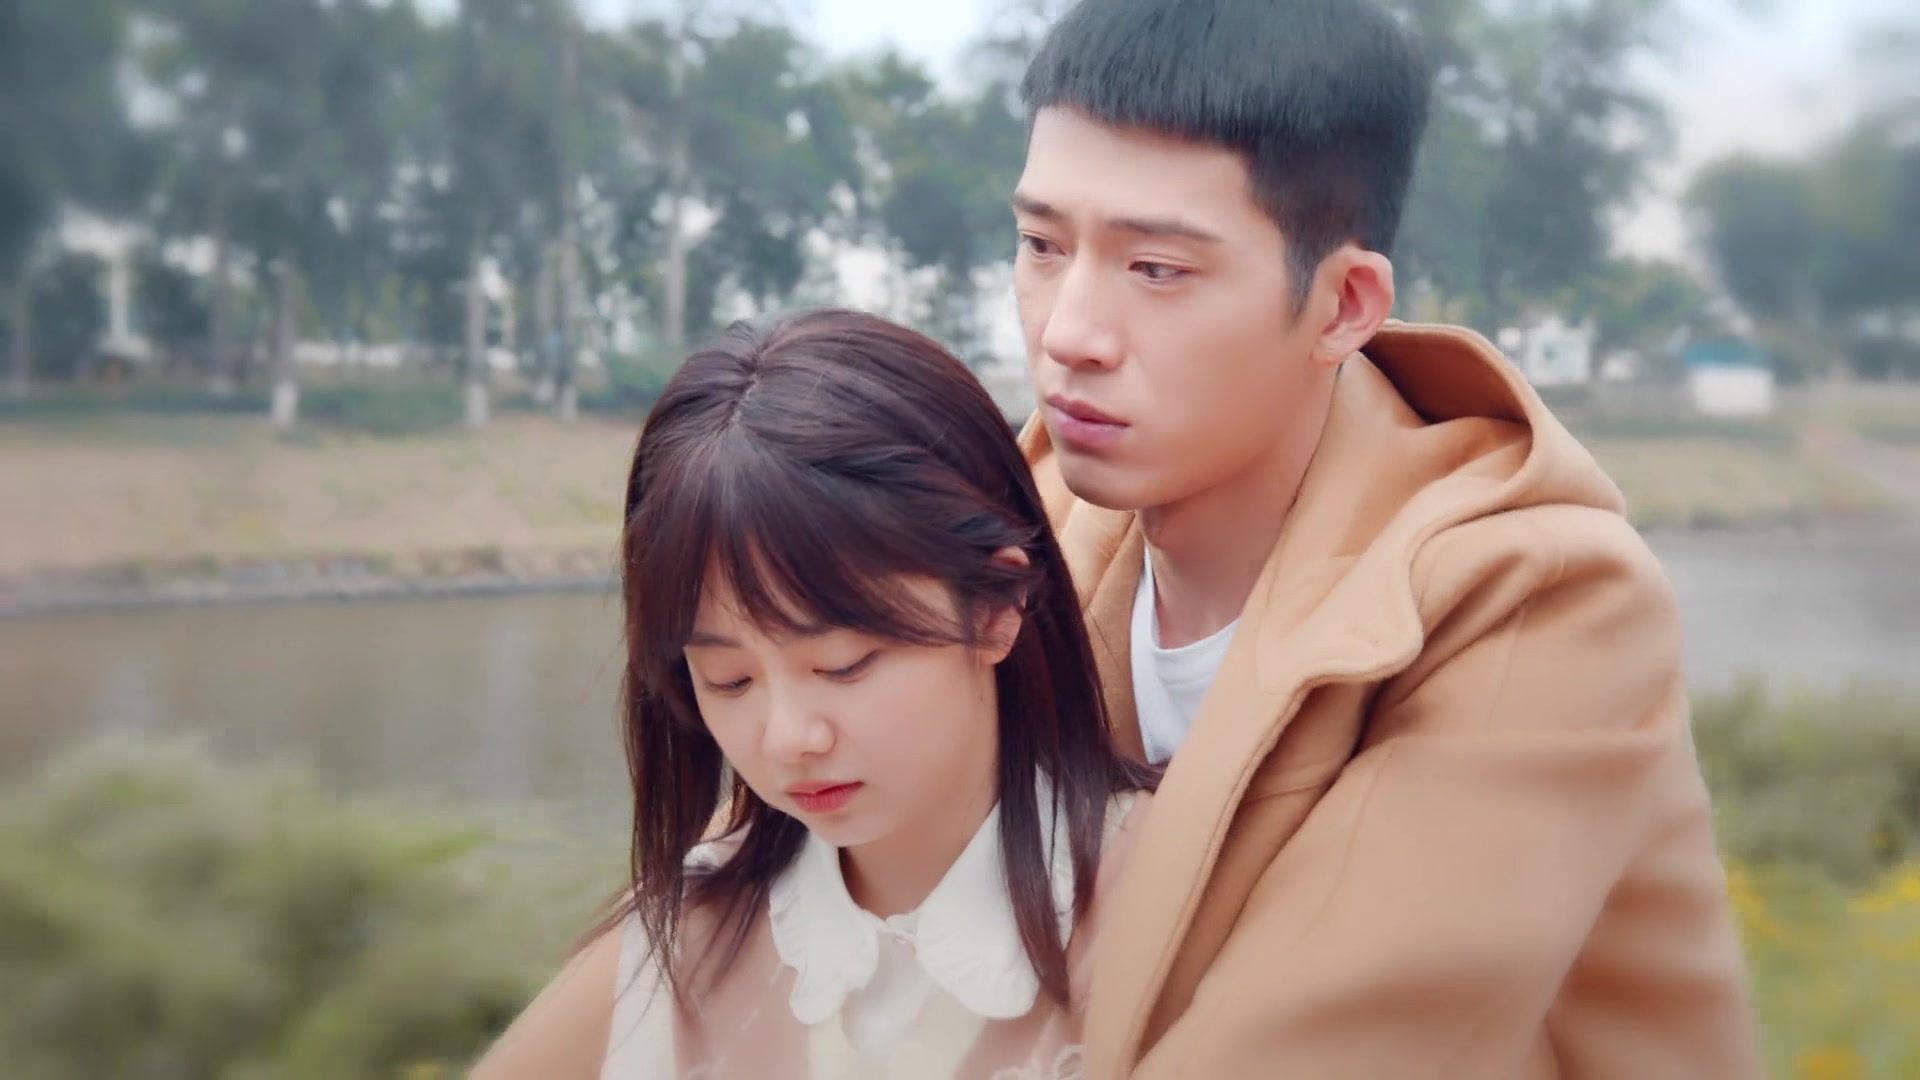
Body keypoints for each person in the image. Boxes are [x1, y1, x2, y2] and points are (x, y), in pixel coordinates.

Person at [1007, 0, 1761, 1076]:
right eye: (1041, 245)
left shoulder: (1544, 602)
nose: (1068, 333)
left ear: (1343, 305)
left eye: (1158, 269)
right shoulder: (1023, 519)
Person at [470, 308, 1157, 1079]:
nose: (788, 738)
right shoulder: (684, 933)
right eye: (728, 679)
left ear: (996, 607)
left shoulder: (1168, 893)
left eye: (843, 665)